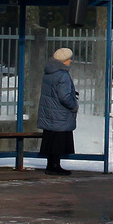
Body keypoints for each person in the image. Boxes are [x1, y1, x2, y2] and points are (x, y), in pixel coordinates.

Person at [38, 47, 79, 176]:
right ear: (64, 61)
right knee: (58, 141)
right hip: (60, 114)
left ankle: (51, 164)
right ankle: (55, 166)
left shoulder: (49, 72)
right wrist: (74, 106)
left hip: (49, 112)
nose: (70, 61)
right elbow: (64, 96)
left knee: (51, 139)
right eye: (68, 59)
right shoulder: (63, 75)